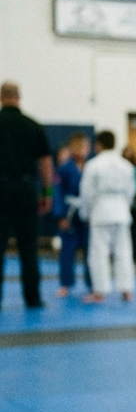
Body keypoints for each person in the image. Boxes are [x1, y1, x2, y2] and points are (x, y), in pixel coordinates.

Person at [0, 81, 53, 309]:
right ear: (18, 97)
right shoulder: (32, 126)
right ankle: (32, 297)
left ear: (1, 98)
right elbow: (45, 163)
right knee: (29, 247)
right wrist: (46, 193)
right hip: (25, 188)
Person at [80, 130, 136, 304]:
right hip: (121, 210)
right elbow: (131, 191)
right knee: (124, 252)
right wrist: (125, 207)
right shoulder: (126, 165)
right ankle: (126, 290)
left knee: (99, 253)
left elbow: (86, 192)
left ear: (99, 144)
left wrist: (85, 213)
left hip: (101, 211)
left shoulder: (93, 164)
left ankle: (100, 291)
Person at [54, 132, 92, 297]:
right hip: (69, 213)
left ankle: (93, 283)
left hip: (87, 214)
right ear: (72, 148)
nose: (83, 150)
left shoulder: (92, 167)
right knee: (67, 250)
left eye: (85, 146)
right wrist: (60, 216)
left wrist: (93, 213)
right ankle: (66, 284)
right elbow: (57, 193)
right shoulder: (63, 169)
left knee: (90, 250)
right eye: (80, 147)